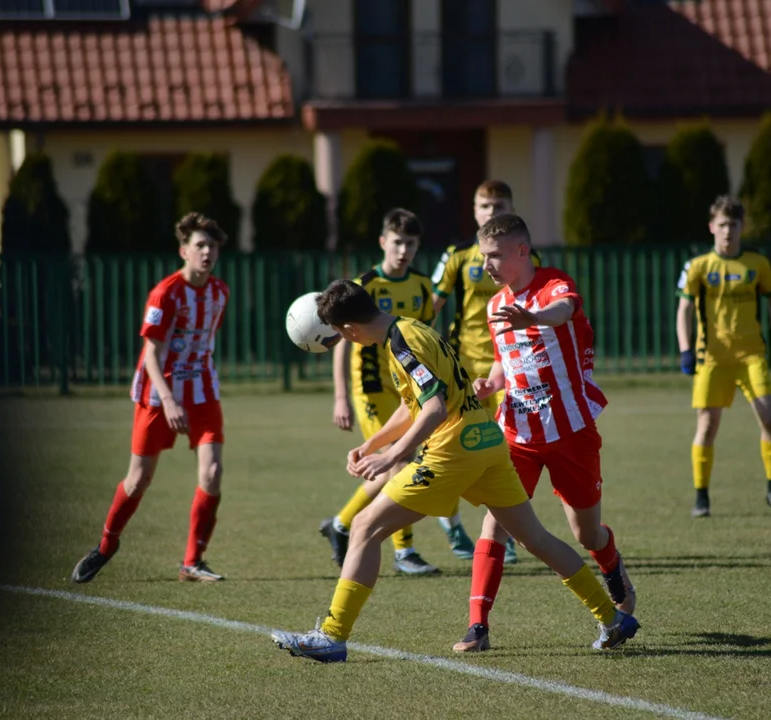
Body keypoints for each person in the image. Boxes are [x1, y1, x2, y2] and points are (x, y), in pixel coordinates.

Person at [271, 280, 640, 662]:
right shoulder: (411, 328)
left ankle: (331, 636)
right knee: (536, 538)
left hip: (454, 451)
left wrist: (392, 455)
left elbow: (433, 410)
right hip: (487, 441)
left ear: (348, 331)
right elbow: (414, 404)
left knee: (365, 527)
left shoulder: (401, 343)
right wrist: (372, 444)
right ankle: (611, 617)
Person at [450, 214, 636, 652]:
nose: (486, 266)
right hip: (516, 433)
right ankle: (478, 626)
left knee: (586, 534)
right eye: (482, 258)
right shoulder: (495, 306)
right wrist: (490, 383)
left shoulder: (554, 285)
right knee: (495, 524)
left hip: (571, 432)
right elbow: (504, 362)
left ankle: (614, 572)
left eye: (494, 256)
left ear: (521, 251)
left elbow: (564, 311)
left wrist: (531, 315)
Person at [71, 212, 230, 583]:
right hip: (159, 394)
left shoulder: (220, 292)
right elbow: (151, 355)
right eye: (199, 245)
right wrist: (170, 400)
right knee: (138, 480)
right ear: (183, 250)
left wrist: (191, 389)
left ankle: (192, 561)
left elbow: (203, 342)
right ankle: (107, 546)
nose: (207, 252)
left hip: (203, 389)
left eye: (213, 246)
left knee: (213, 471)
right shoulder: (165, 293)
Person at [321, 208, 441, 575]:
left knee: (395, 466)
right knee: (400, 463)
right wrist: (341, 396)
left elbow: (425, 338)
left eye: (411, 244)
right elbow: (343, 342)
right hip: (371, 387)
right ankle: (404, 551)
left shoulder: (422, 286)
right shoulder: (365, 285)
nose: (403, 250)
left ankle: (340, 524)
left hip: (406, 387)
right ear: (383, 242)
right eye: (397, 242)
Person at [430, 180, 540, 564]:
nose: (491, 212)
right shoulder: (457, 256)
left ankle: (503, 532)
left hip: (505, 369)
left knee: (504, 450)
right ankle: (452, 520)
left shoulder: (528, 257)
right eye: (484, 205)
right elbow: (431, 306)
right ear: (474, 211)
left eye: (499, 205)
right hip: (461, 367)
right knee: (451, 444)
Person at [676, 196, 771, 518]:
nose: (728, 231)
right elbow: (684, 308)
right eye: (723, 225)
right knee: (708, 426)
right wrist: (686, 349)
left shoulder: (757, 264)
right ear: (712, 226)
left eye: (734, 225)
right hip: (712, 358)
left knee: (769, 419)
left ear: (743, 227)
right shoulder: (698, 266)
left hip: (751, 356)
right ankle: (701, 496)